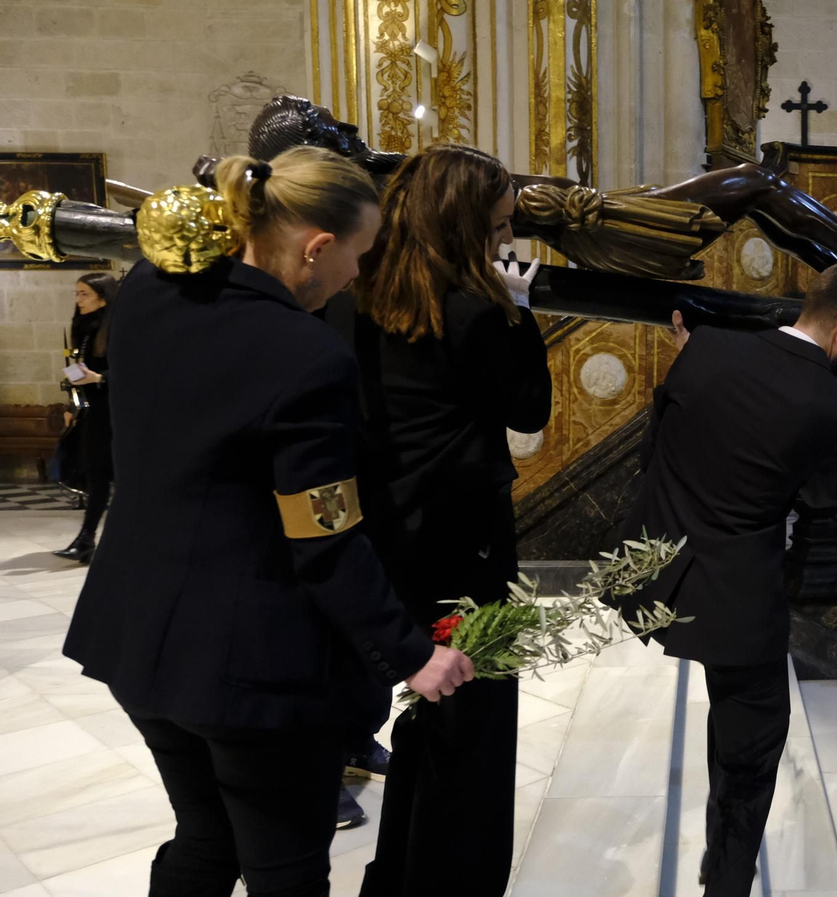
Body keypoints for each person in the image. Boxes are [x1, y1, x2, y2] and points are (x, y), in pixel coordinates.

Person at [61, 147, 474, 895]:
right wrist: (413, 654)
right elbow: (325, 539)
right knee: (285, 871)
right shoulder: (306, 356)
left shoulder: (149, 290)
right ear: (318, 247)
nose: (357, 276)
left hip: (136, 635)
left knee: (204, 839)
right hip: (248, 667)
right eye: (359, 255)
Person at [609, 262, 837, 896]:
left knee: (731, 721)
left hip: (661, 569)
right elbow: (820, 499)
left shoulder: (704, 347)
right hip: (740, 598)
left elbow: (655, 452)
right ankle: (726, 880)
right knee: (755, 746)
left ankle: (719, 863)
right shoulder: (834, 410)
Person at [322, 144, 552, 896]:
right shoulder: (474, 310)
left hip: (389, 531)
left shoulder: (352, 298)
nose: (501, 243)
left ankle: (400, 877)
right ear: (464, 222)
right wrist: (522, 315)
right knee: (475, 726)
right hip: (468, 540)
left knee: (428, 709)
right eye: (497, 228)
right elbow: (529, 410)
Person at [52, 271, 118, 563]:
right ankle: (87, 539)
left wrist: (99, 377)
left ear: (103, 297)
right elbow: (78, 369)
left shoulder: (117, 327)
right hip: (92, 411)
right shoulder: (84, 325)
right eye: (76, 293)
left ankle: (93, 539)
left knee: (111, 476)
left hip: (115, 412)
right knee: (96, 475)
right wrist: (72, 406)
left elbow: (137, 371)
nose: (78, 299)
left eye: (84, 294)